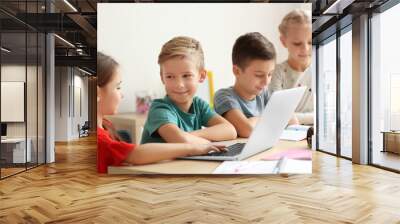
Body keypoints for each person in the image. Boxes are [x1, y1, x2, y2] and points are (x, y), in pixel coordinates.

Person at [97, 52, 226, 173]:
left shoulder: (106, 125)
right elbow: (136, 154)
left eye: (186, 75)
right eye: (117, 87)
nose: (122, 94)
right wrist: (194, 148)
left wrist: (196, 140)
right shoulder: (98, 140)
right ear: (96, 93)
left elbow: (229, 130)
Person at [140, 36, 237, 144]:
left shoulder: (198, 105)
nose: (179, 85)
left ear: (201, 76)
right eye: (170, 77)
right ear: (162, 78)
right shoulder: (160, 109)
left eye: (186, 75)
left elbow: (230, 131)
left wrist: (191, 136)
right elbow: (180, 140)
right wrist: (207, 142)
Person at [213, 32, 276, 137]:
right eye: (259, 75)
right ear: (237, 71)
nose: (266, 82)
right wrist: (270, 117)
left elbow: (292, 120)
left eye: (270, 74)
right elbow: (247, 130)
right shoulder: (223, 96)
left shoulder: (263, 93)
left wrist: (257, 120)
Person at [269, 9, 313, 125]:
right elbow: (277, 114)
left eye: (310, 42)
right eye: (297, 43)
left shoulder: (320, 70)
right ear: (283, 41)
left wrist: (292, 118)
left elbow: (327, 113)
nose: (305, 49)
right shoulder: (276, 72)